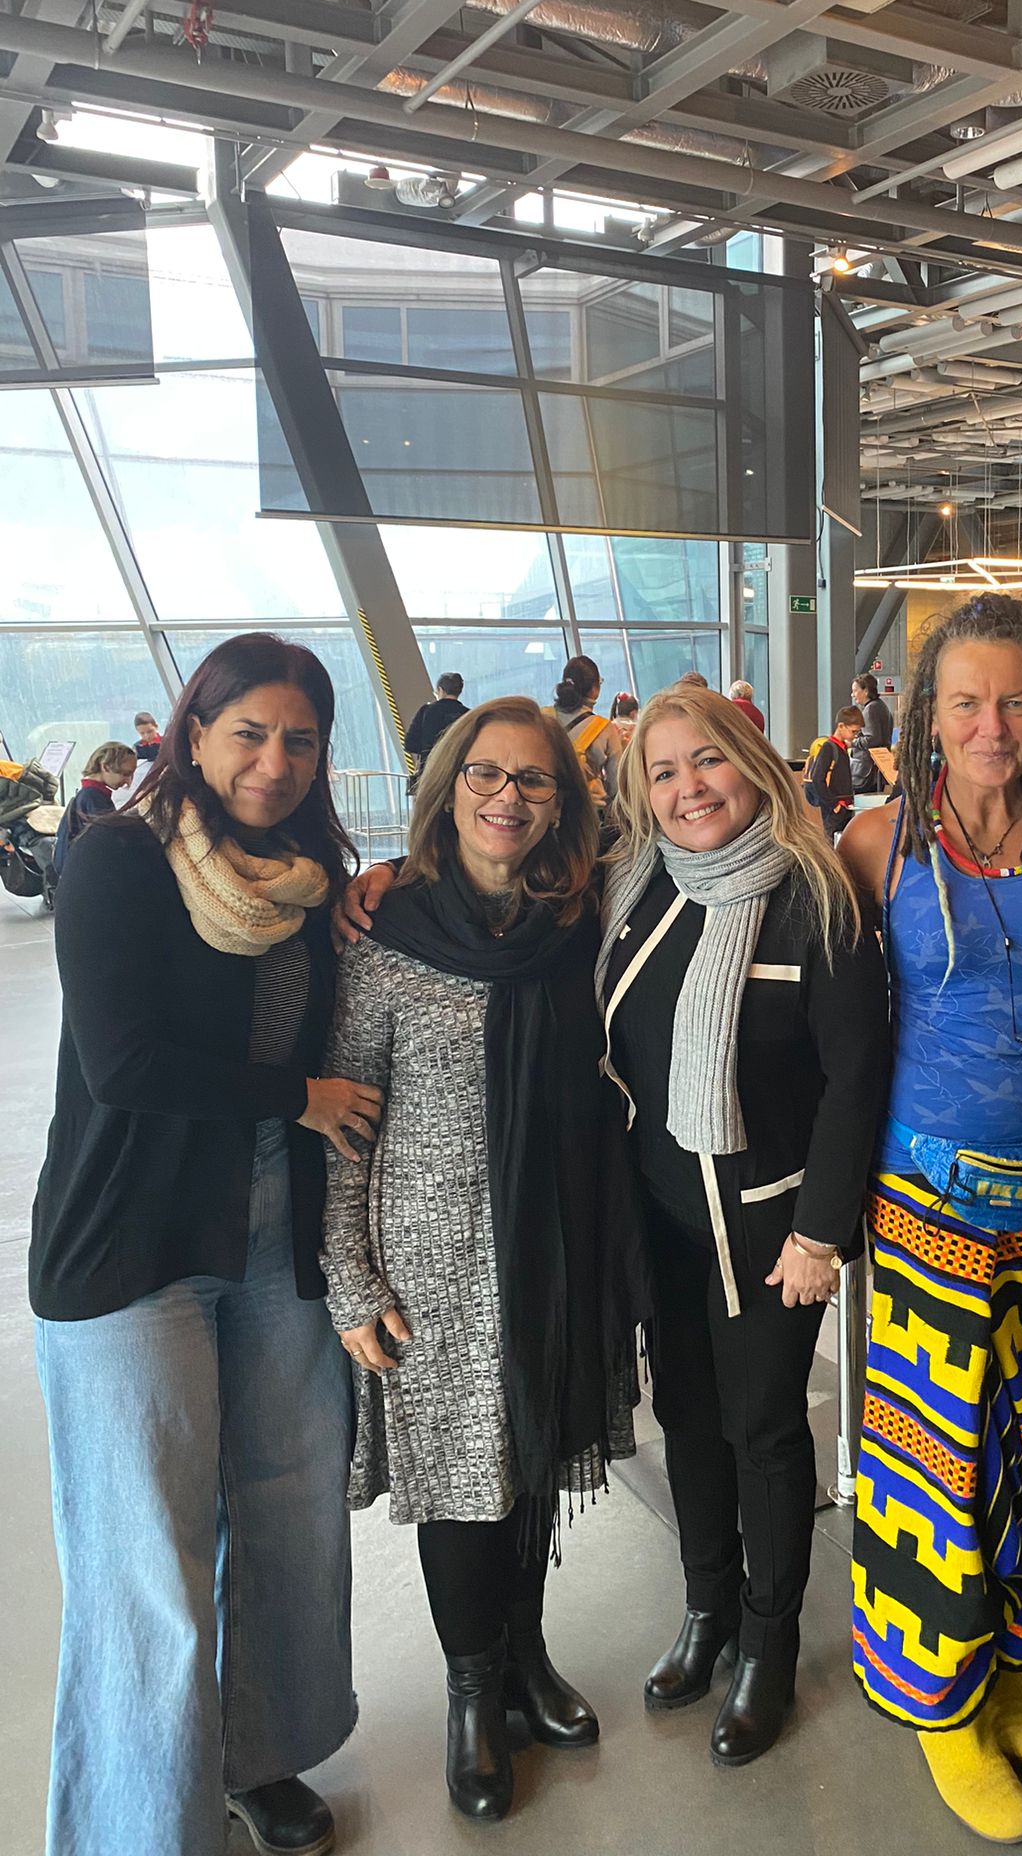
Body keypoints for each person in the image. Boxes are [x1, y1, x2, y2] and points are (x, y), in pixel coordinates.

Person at [30, 632, 378, 1856]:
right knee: (148, 1563)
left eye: (300, 739)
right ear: (193, 733)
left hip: (275, 1236)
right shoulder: (118, 857)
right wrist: (298, 1099)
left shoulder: (312, 882)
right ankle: (140, 1827)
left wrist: (380, 893)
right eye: (249, 732)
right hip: (130, 1240)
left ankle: (258, 1754)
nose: (274, 761)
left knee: (290, 1512)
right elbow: (124, 1062)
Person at [323, 696, 645, 1823]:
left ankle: (524, 1658)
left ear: (562, 802)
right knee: (463, 1481)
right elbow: (345, 1121)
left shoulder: (577, 923)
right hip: (433, 1260)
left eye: (534, 779)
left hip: (552, 1238)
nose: (507, 796)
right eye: (486, 774)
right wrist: (350, 1277)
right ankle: (472, 1691)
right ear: (448, 785)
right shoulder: (387, 935)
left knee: (530, 1454)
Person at [837, 594, 1022, 1847]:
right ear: (928, 714)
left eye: (1014, 701)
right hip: (922, 1208)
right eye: (966, 701)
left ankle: (1006, 1665)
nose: (991, 724)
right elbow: (805, 996)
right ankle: (938, 1706)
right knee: (934, 1466)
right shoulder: (877, 841)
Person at [596, 687, 889, 1767]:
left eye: (708, 760)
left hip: (768, 1226)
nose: (690, 788)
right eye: (664, 770)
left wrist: (820, 1234)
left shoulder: (815, 898)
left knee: (763, 1427)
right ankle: (707, 1605)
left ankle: (768, 1640)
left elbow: (856, 1078)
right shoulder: (636, 887)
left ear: (754, 765)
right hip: (659, 1216)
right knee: (685, 1414)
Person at [547, 655, 622, 809]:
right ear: (594, 688)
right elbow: (617, 785)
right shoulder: (604, 728)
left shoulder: (543, 718)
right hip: (589, 810)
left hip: (549, 807)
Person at [52, 741, 136, 876]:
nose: (128, 782)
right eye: (125, 774)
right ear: (105, 767)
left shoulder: (86, 795)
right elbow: (111, 842)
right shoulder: (93, 798)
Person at [404, 672, 468, 793]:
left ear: (440, 690)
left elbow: (410, 744)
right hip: (459, 774)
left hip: (431, 773)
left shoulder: (426, 711)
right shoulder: (468, 715)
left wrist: (427, 748)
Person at [804, 707, 860, 841]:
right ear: (841, 726)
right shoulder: (828, 748)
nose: (855, 736)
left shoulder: (842, 748)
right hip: (835, 807)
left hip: (845, 805)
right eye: (853, 731)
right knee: (832, 841)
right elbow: (818, 779)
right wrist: (834, 804)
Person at [849, 672, 893, 794]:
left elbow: (873, 739)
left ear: (866, 691)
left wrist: (853, 742)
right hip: (877, 770)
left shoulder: (870, 710)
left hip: (866, 771)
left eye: (855, 690)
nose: (852, 694)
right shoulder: (881, 706)